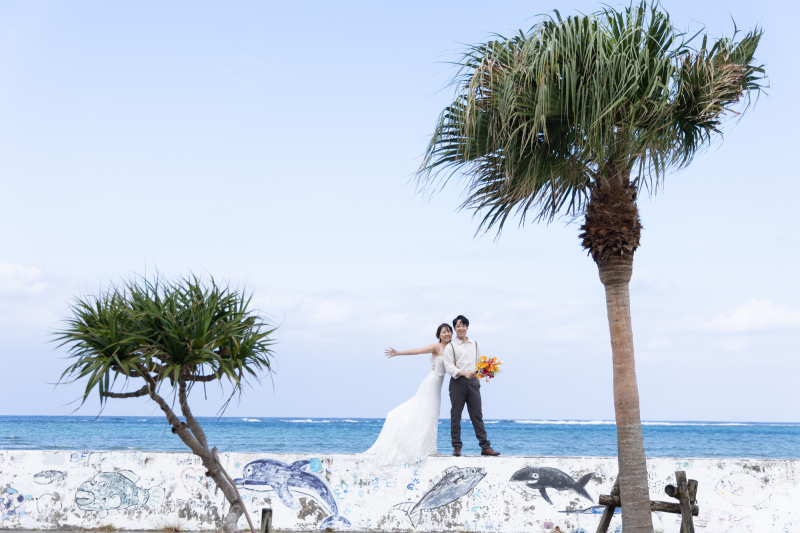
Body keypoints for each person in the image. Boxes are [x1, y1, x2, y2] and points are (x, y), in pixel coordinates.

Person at [363, 323, 453, 465]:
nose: (447, 334)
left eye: (449, 332)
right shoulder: (436, 347)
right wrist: (398, 353)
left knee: (432, 415)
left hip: (438, 385)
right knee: (426, 412)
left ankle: (429, 447)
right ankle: (428, 448)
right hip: (431, 383)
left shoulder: (452, 349)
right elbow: (417, 350)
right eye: (444, 332)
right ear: (439, 335)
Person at [442, 315, 500, 457]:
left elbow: (479, 362)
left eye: (463, 326)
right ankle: (456, 447)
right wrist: (463, 373)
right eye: (458, 326)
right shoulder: (450, 346)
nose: (461, 328)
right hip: (457, 382)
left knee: (477, 415)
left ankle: (485, 447)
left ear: (467, 327)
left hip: (473, 383)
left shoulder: (474, 343)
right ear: (454, 328)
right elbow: (448, 367)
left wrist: (478, 379)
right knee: (456, 415)